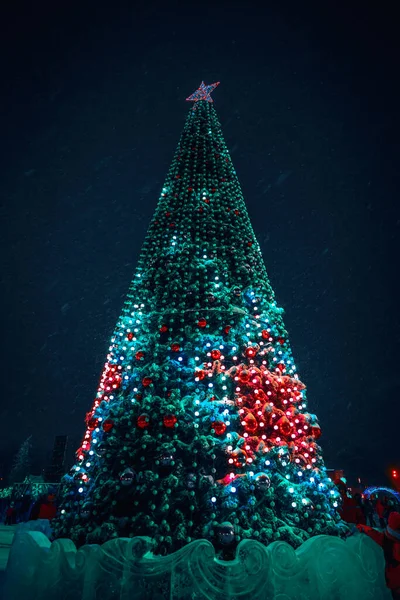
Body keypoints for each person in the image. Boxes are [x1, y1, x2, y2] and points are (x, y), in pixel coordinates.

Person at [358, 511, 400, 599]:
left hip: (393, 582)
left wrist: (361, 527)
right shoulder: (391, 543)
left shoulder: (386, 540)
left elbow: (373, 533)